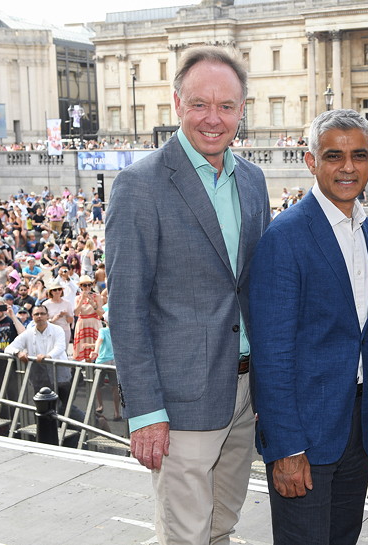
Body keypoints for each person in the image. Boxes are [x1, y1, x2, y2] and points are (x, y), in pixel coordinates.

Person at [105, 45, 270, 545]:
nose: (213, 119)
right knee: (185, 535)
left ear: (243, 109)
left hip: (244, 393)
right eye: (200, 104)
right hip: (180, 404)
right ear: (177, 104)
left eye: (226, 106)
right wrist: (147, 412)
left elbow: (253, 286)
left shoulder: (254, 181)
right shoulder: (139, 185)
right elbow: (126, 308)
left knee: (222, 527)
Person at [249, 108, 368, 545]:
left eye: (358, 155)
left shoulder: (367, 232)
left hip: (356, 426)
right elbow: (272, 353)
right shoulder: (286, 236)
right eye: (334, 156)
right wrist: (286, 448)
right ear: (311, 161)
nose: (348, 167)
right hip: (305, 434)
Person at [3, 305, 71, 409]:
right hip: (39, 374)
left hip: (59, 370)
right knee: (42, 406)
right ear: (32, 316)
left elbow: (60, 347)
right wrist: (18, 353)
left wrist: (47, 356)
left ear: (47, 316)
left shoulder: (58, 329)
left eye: (42, 314)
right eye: (36, 314)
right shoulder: (28, 333)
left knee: (65, 406)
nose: (39, 316)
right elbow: (8, 348)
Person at [73, 276, 103, 362]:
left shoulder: (97, 296)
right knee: (82, 348)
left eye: (89, 285)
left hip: (94, 323)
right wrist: (82, 299)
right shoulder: (77, 298)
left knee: (96, 348)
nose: (87, 287)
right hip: (82, 324)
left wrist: (93, 304)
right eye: (84, 285)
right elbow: (76, 313)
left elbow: (100, 314)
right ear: (81, 286)